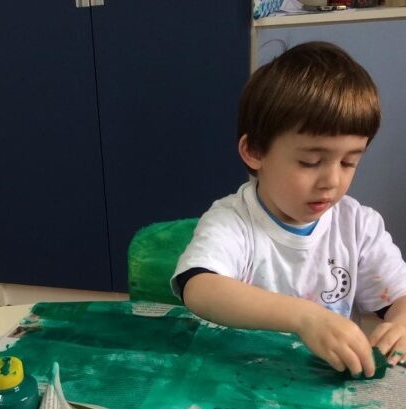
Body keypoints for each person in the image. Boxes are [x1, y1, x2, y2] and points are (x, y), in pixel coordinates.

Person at [172, 41, 406, 378]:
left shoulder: (358, 226)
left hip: (322, 388)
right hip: (243, 381)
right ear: (255, 151)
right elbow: (200, 288)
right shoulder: (233, 220)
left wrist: (400, 323)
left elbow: (399, 297)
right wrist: (304, 317)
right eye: (310, 162)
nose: (332, 181)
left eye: (349, 162)